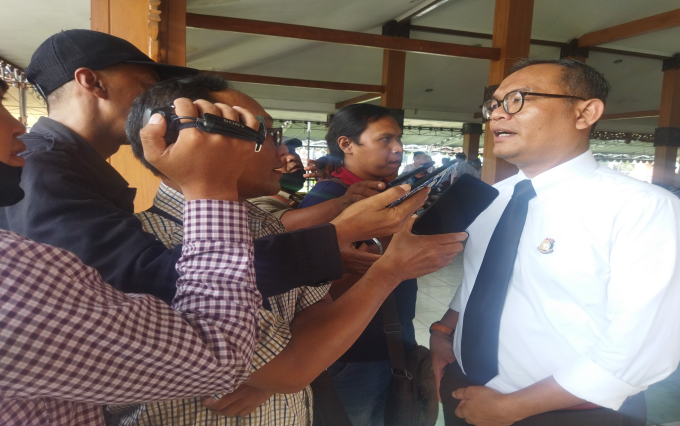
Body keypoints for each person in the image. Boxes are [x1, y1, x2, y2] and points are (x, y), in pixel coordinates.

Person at [113, 75, 467, 425]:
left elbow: (307, 341)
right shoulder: (143, 246)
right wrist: (391, 268)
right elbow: (290, 369)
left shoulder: (266, 225)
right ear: (191, 138)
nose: (283, 151)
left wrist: (274, 376)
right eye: (264, 133)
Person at [430, 58, 680, 426]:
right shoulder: (492, 199)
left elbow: (643, 345)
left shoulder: (642, 208)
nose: (497, 115)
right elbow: (482, 282)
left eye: (517, 100)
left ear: (585, 113)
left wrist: (513, 407)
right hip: (465, 393)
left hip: (570, 413)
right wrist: (443, 332)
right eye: (493, 104)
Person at [0, 29, 352, 302]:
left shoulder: (68, 163)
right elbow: (144, 282)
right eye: (148, 87)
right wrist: (335, 237)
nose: (161, 103)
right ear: (92, 82)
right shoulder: (42, 166)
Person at [1, 81, 267, 425]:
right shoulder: (10, 277)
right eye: (241, 129)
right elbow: (222, 356)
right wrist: (212, 187)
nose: (18, 125)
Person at [298, 103, 416, 426]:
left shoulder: (385, 195)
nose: (398, 148)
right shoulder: (329, 197)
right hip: (351, 354)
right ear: (347, 144)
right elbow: (307, 288)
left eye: (399, 139)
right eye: (385, 139)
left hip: (387, 344)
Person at [251, 137, 384, 233]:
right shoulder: (255, 204)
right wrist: (343, 202)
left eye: (293, 151)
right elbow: (278, 226)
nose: (292, 157)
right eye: (280, 154)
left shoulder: (301, 196)